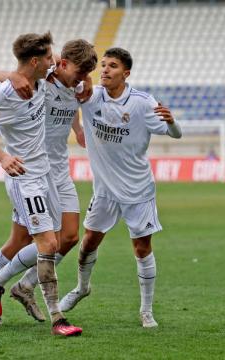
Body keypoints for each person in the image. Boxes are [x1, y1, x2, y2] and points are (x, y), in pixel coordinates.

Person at [59, 48, 182, 328]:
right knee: (89, 241)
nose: (105, 70)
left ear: (125, 73)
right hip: (104, 191)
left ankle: (146, 310)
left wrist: (172, 122)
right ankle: (81, 288)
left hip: (138, 190)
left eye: (112, 66)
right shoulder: (91, 95)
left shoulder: (141, 103)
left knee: (141, 248)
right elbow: (67, 88)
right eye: (103, 65)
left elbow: (176, 134)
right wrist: (78, 128)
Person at [0, 32, 82, 337]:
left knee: (50, 240)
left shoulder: (42, 79)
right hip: (25, 180)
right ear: (35, 60)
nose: (54, 61)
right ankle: (58, 319)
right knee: (47, 245)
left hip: (45, 173)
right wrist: (3, 157)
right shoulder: (5, 93)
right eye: (49, 57)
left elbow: (73, 74)